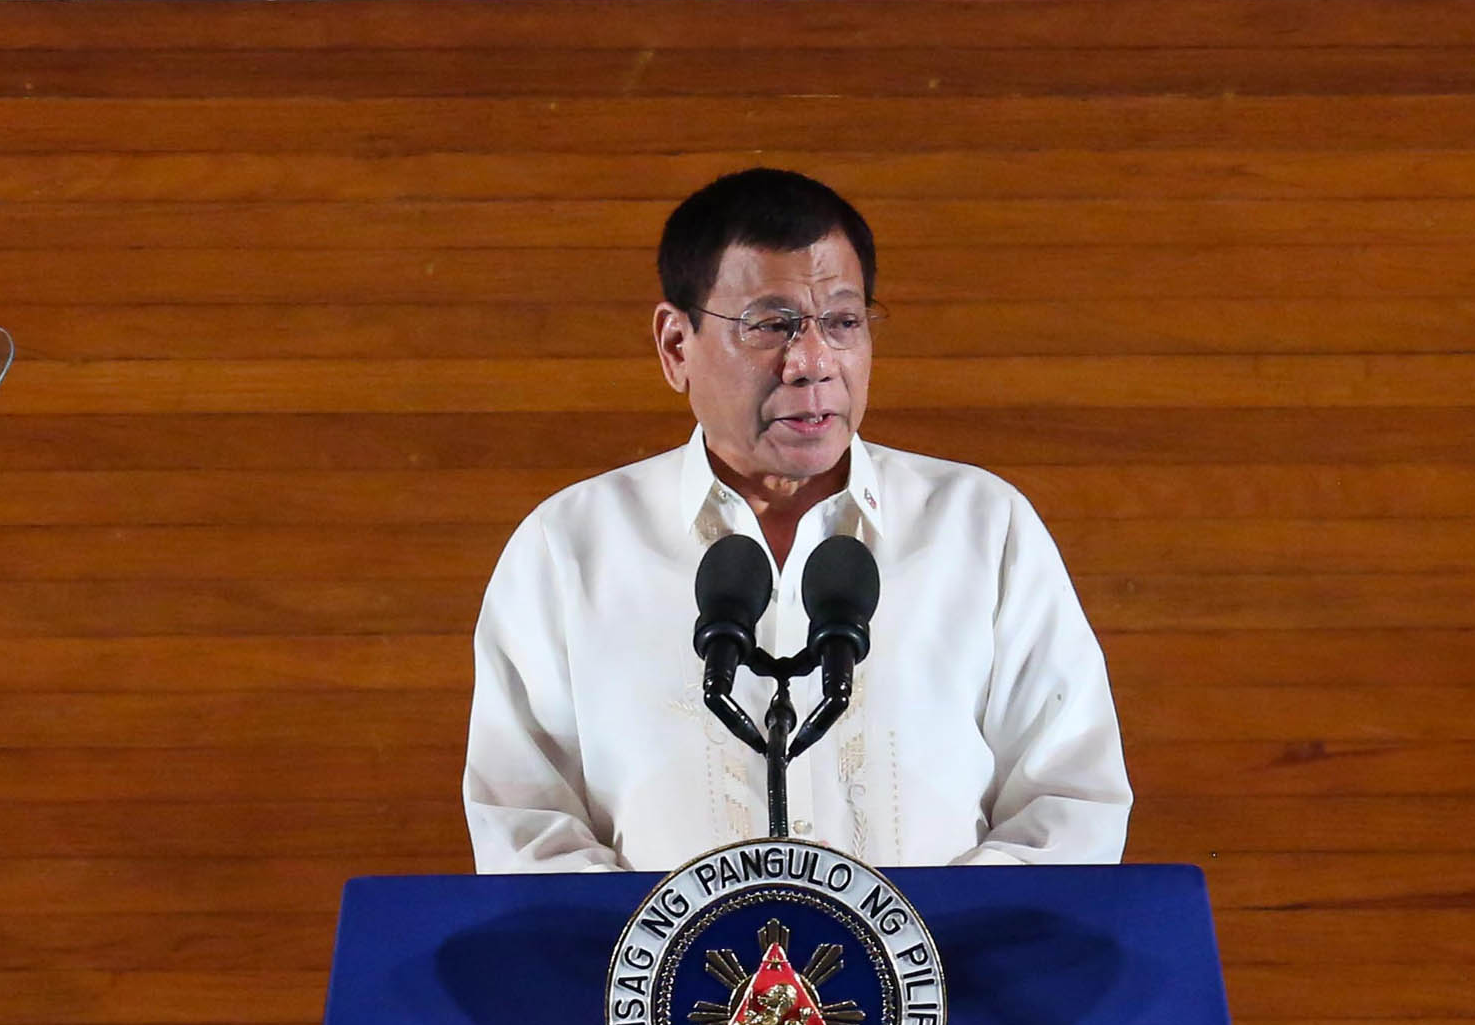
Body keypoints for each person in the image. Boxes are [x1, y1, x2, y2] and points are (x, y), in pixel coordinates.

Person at [465, 169, 1131, 872]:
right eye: (771, 325)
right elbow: (526, 828)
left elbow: (1069, 804)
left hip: (944, 978)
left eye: (842, 323)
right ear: (674, 345)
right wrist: (679, 964)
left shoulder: (983, 529)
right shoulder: (567, 549)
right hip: (667, 981)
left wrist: (911, 959)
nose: (813, 363)